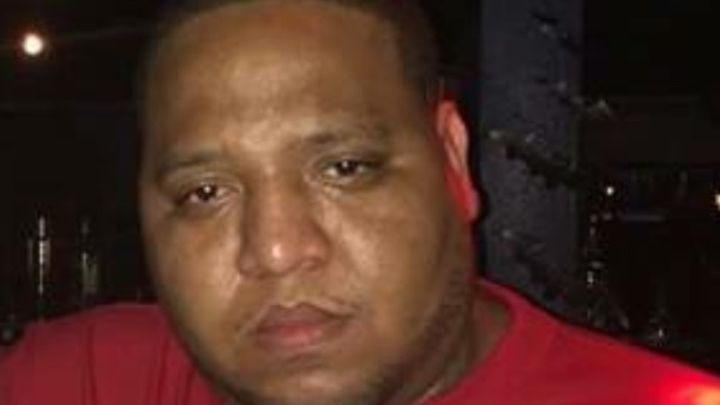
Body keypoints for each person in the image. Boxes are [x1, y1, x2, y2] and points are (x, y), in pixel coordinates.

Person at [1, 0, 719, 404]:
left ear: (452, 161)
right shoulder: (94, 379)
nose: (276, 249)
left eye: (344, 167)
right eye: (205, 192)